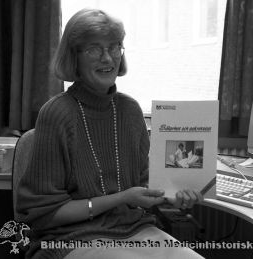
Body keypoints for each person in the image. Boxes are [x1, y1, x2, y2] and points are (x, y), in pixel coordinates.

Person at [15, 8, 203, 259]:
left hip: (134, 228)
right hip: (71, 237)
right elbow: (45, 213)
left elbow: (147, 185)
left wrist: (172, 197)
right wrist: (122, 197)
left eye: (114, 47)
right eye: (94, 49)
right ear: (74, 57)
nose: (107, 58)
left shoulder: (130, 109)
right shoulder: (56, 113)